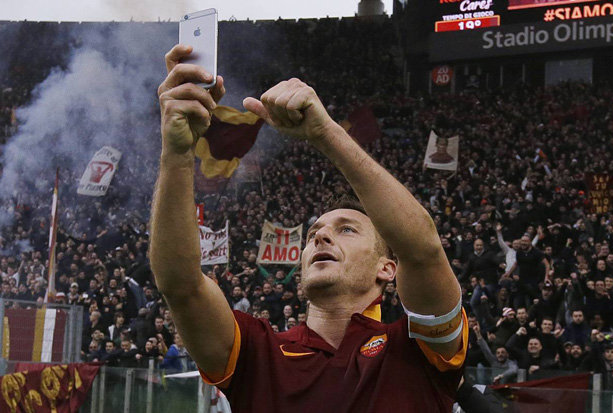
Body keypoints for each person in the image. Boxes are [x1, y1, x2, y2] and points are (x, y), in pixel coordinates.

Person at [150, 45, 467, 412]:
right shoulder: (256, 351)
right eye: (314, 232)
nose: (320, 235)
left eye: (347, 229)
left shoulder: (420, 349)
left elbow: (423, 250)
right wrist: (176, 153)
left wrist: (325, 133)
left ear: (387, 268)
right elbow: (180, 285)